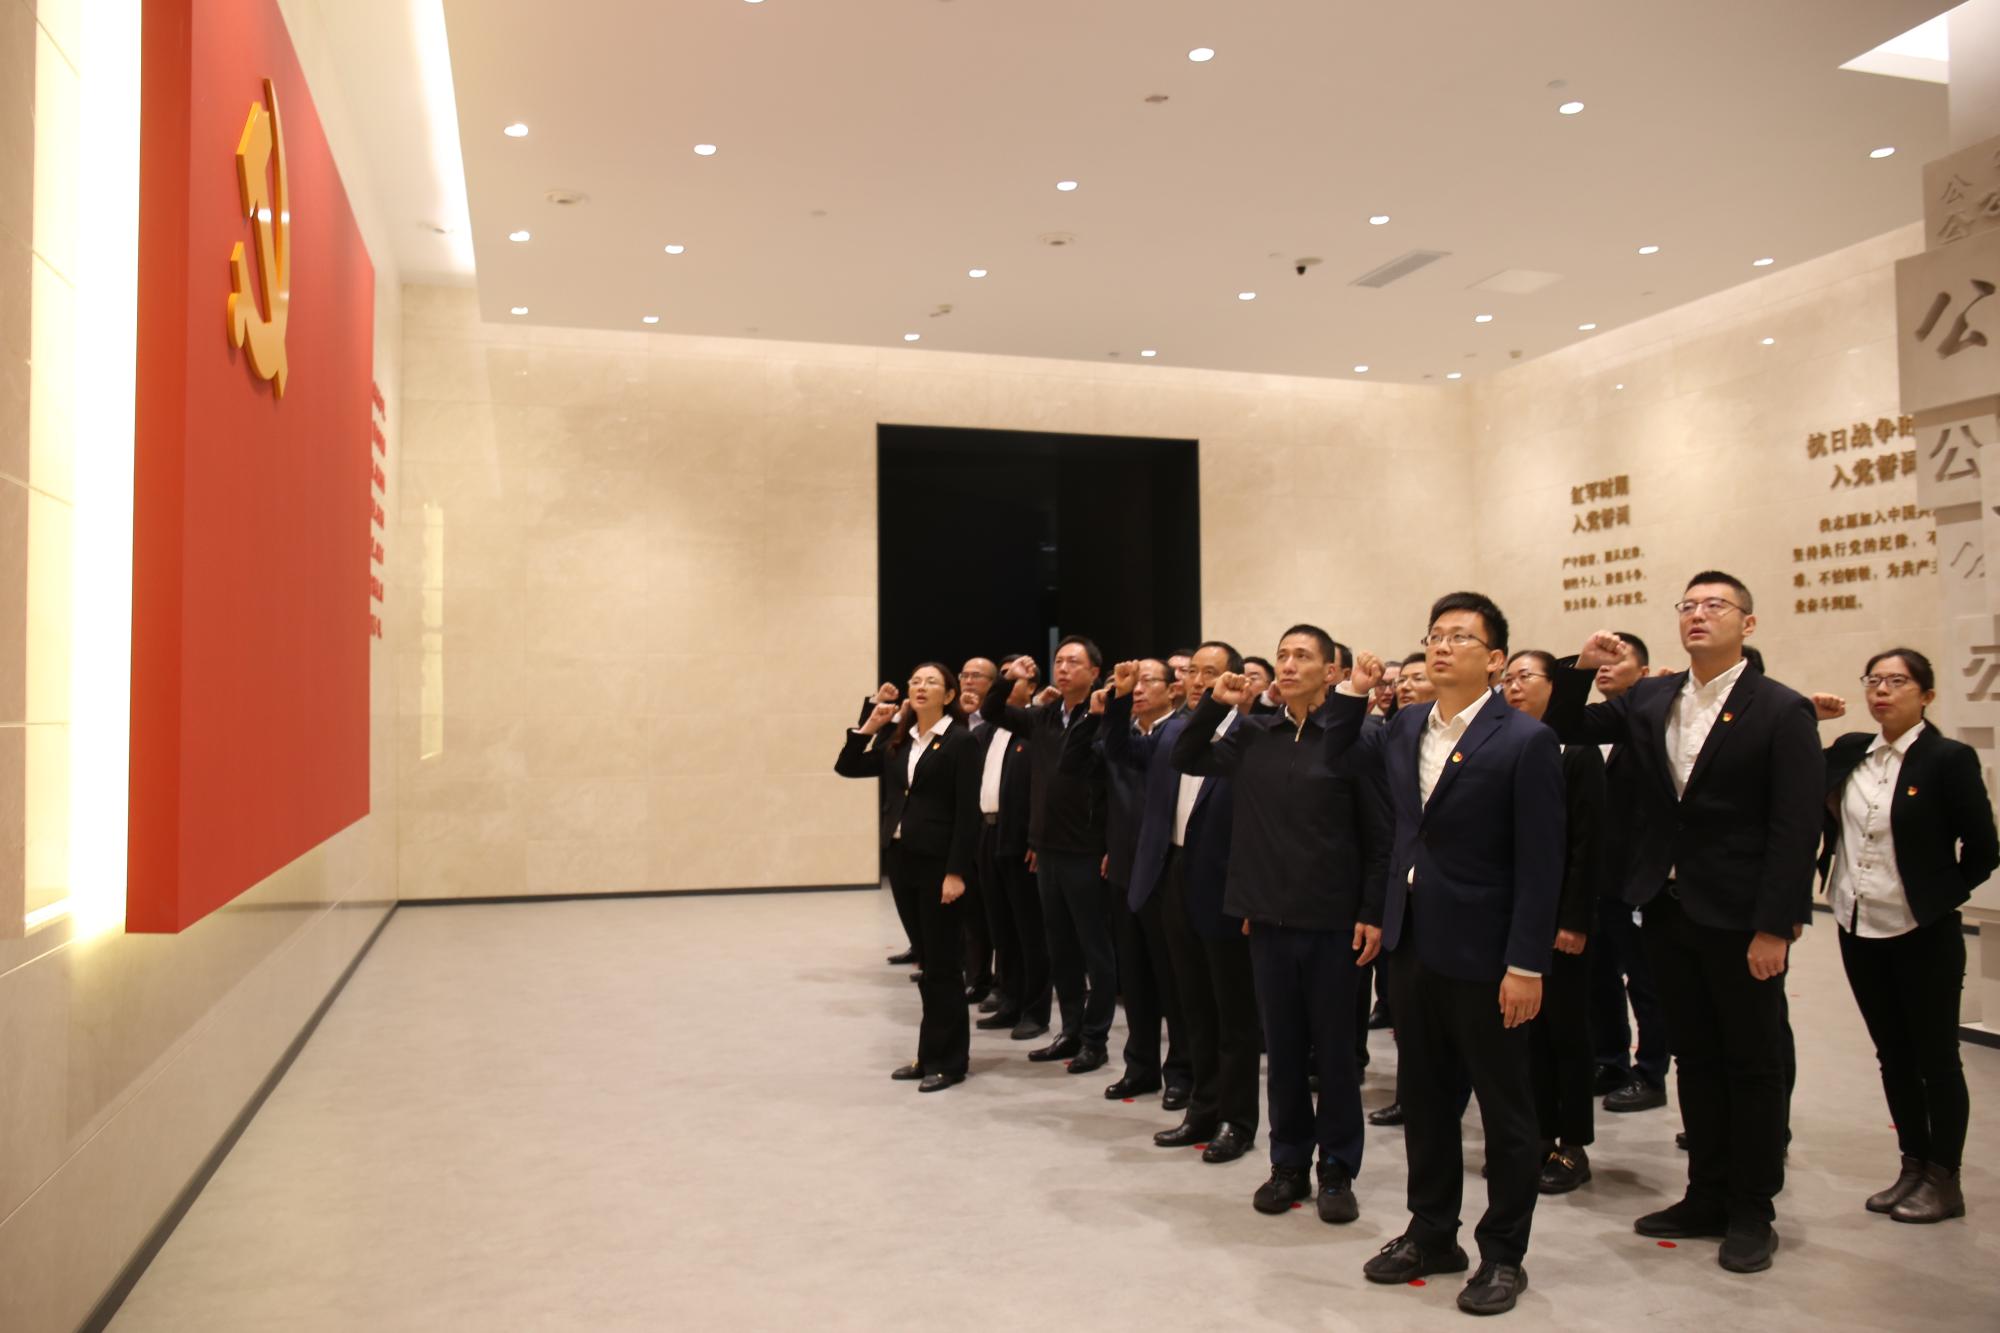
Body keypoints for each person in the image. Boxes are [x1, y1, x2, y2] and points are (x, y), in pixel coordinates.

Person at [1550, 572, 1823, 1274]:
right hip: (1668, 906)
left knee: (1751, 1062)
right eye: (1689, 605)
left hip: (1741, 915)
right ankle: (1706, 1193)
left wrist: (1776, 925)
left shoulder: (1780, 708)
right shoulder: (1652, 696)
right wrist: (1580, 667)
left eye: (1715, 605)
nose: (1699, 614)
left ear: (1747, 624)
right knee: (1695, 1058)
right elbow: (1568, 724)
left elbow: (1795, 828)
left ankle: (1752, 1208)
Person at [1360, 592, 1562, 1317]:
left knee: (1505, 1111)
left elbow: (1542, 862)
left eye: (1461, 637)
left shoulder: (1526, 740)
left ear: (1496, 659)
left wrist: (1526, 964)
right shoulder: (1405, 726)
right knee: (1425, 1098)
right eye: (1435, 635)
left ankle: (1503, 1252)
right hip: (1414, 942)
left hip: (1489, 953)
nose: (1442, 647)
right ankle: (1431, 1231)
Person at [1180, 629, 1388, 1221]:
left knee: (1336, 1055)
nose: (1289, 665)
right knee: (1285, 1051)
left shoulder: (1355, 736)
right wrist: (1216, 703)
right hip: (1268, 919)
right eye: (1283, 655)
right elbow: (1186, 756)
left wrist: (1372, 911)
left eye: (1303, 656)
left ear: (1332, 672)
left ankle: (1337, 1168)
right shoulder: (1255, 734)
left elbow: (1380, 835)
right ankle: (1288, 1162)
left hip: (1334, 922)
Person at [1814, 649, 1996, 1223]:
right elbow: (1787, 771)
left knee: (1936, 1057)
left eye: (1897, 681)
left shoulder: (1948, 759)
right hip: (1856, 922)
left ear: (1926, 695)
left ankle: (1945, 1178)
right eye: (1874, 680)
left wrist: (1938, 897)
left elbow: (1984, 848)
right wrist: (1806, 715)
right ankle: (1912, 1165)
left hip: (1921, 929)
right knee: (1892, 1055)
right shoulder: (1850, 752)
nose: (1882, 691)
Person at [1128, 641, 1259, 1158]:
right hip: (1177, 876)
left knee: (1233, 1014)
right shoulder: (1177, 735)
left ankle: (1237, 1120)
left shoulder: (1251, 736)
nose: (1201, 681)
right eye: (1196, 672)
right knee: (1193, 1007)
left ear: (1236, 681)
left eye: (1213, 672)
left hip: (1227, 885)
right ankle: (1203, 1109)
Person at [834, 665, 980, 1092]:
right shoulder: (900, 739)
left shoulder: (961, 741)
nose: (920, 687)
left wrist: (956, 871)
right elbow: (848, 766)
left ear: (949, 695)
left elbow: (967, 813)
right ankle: (929, 1053)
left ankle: (950, 1061)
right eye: (915, 681)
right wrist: (869, 726)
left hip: (940, 866)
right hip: (902, 860)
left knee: (943, 965)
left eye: (931, 682)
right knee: (927, 963)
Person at [983, 637, 1117, 1073]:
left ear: (1094, 672)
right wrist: (1010, 678)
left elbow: (1116, 787)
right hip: (1048, 850)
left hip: (1087, 849)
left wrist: (1110, 846)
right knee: (1060, 949)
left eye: (1074, 662)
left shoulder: (1106, 716)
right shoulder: (1042, 716)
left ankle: (1095, 1040)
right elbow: (992, 711)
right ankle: (1070, 1031)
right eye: (1059, 661)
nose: (1063, 668)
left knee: (1095, 950)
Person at [1502, 650, 1605, 1194]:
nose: (1514, 687)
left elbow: (1588, 844)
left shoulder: (1578, 753)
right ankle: (1537, 1136)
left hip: (1563, 918)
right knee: (1526, 1034)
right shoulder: (1507, 745)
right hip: (1516, 913)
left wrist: (1573, 919)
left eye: (1526, 677)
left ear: (1555, 686)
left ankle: (1573, 1144)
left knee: (1567, 1031)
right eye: (1508, 679)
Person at [1066, 659, 1192, 1103]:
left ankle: (1182, 1071)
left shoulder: (1182, 733)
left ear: (1173, 690)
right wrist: (1106, 708)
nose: (1137, 690)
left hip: (1166, 872)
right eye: (1131, 685)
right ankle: (1141, 1067)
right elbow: (1079, 767)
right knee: (1134, 979)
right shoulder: (1120, 733)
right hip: (1123, 868)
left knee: (1172, 980)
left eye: (1146, 682)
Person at [1587, 632, 1672, 1115]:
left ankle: (1652, 1071)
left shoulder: (1653, 726)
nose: (1605, 668)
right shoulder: (1590, 728)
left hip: (1638, 876)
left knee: (1645, 981)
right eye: (1600, 662)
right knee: (1599, 976)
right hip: (1598, 878)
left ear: (1643, 674)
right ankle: (1610, 1060)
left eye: (1617, 660)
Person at [975, 654, 1052, 1039]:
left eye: (1014, 679)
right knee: (1001, 927)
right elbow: (988, 709)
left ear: (1032, 687)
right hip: (989, 833)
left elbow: (1045, 789)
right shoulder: (990, 731)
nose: (1004, 685)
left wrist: (1038, 838)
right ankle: (1009, 1000)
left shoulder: (1037, 725)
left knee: (1029, 930)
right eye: (1001, 678)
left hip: (1022, 837)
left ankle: (1035, 1011)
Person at [957, 659, 1001, 1004]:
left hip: (994, 825)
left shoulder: (1002, 722)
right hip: (963, 825)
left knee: (997, 909)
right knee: (971, 909)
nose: (969, 682)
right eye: (965, 676)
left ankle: (1003, 981)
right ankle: (976, 976)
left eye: (977, 676)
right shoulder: (953, 721)